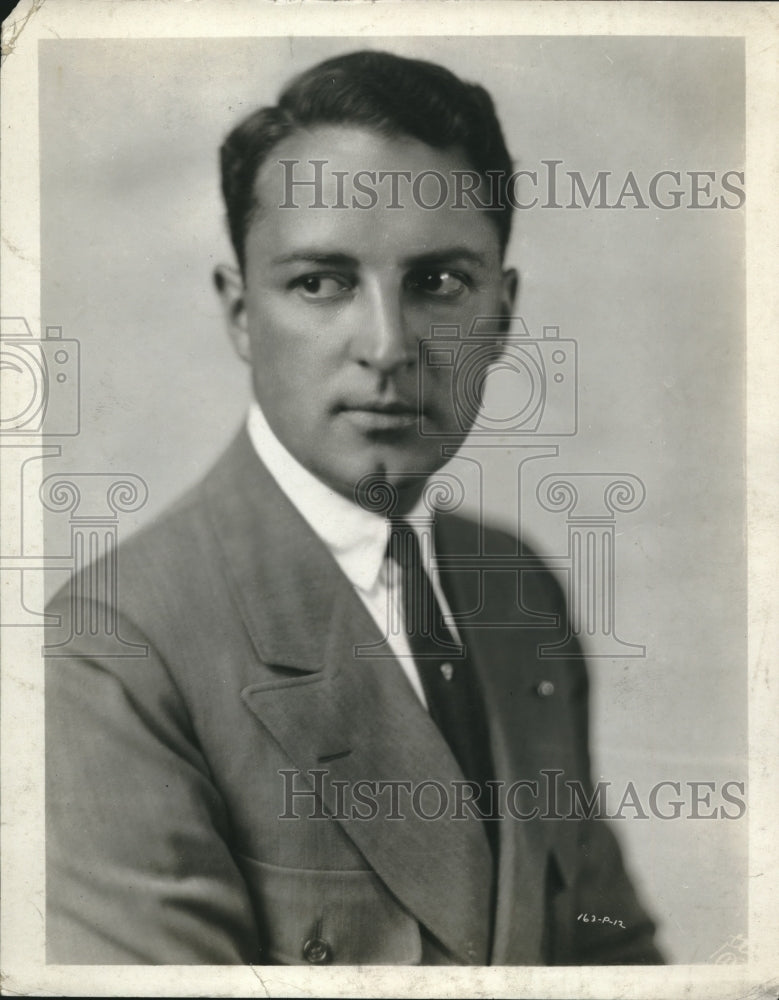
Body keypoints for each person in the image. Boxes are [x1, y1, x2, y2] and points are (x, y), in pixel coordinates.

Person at [45, 49, 663, 966]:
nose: (386, 346)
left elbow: (614, 955)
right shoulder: (110, 652)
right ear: (240, 313)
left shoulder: (515, 588)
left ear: (501, 314)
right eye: (321, 283)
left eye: (439, 283)